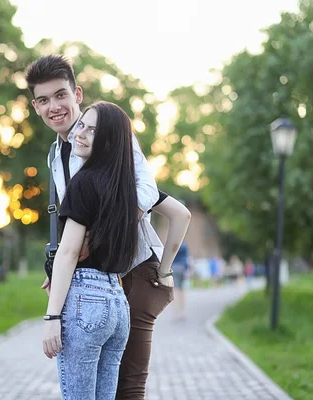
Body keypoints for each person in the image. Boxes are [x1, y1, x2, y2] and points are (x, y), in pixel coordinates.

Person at [26, 55, 191, 399]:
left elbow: (145, 190)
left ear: (77, 95)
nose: (54, 107)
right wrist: (61, 265)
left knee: (126, 387)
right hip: (95, 277)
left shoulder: (107, 135)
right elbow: (69, 219)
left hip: (131, 269)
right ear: (35, 106)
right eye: (44, 100)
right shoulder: (56, 155)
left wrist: (99, 240)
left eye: (61, 95)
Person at [42, 101, 137, 399]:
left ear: (108, 140)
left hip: (86, 301)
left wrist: (52, 317)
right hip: (118, 304)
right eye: (82, 125)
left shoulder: (83, 182)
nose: (79, 134)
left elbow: (69, 253)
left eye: (92, 130)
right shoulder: (124, 189)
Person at [171, 241, 190, 320]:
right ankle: (182, 312)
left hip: (174, 268)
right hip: (182, 268)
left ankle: (176, 312)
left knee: (175, 290)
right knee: (182, 291)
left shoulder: (172, 244)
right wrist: (187, 269)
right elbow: (186, 258)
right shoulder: (185, 245)